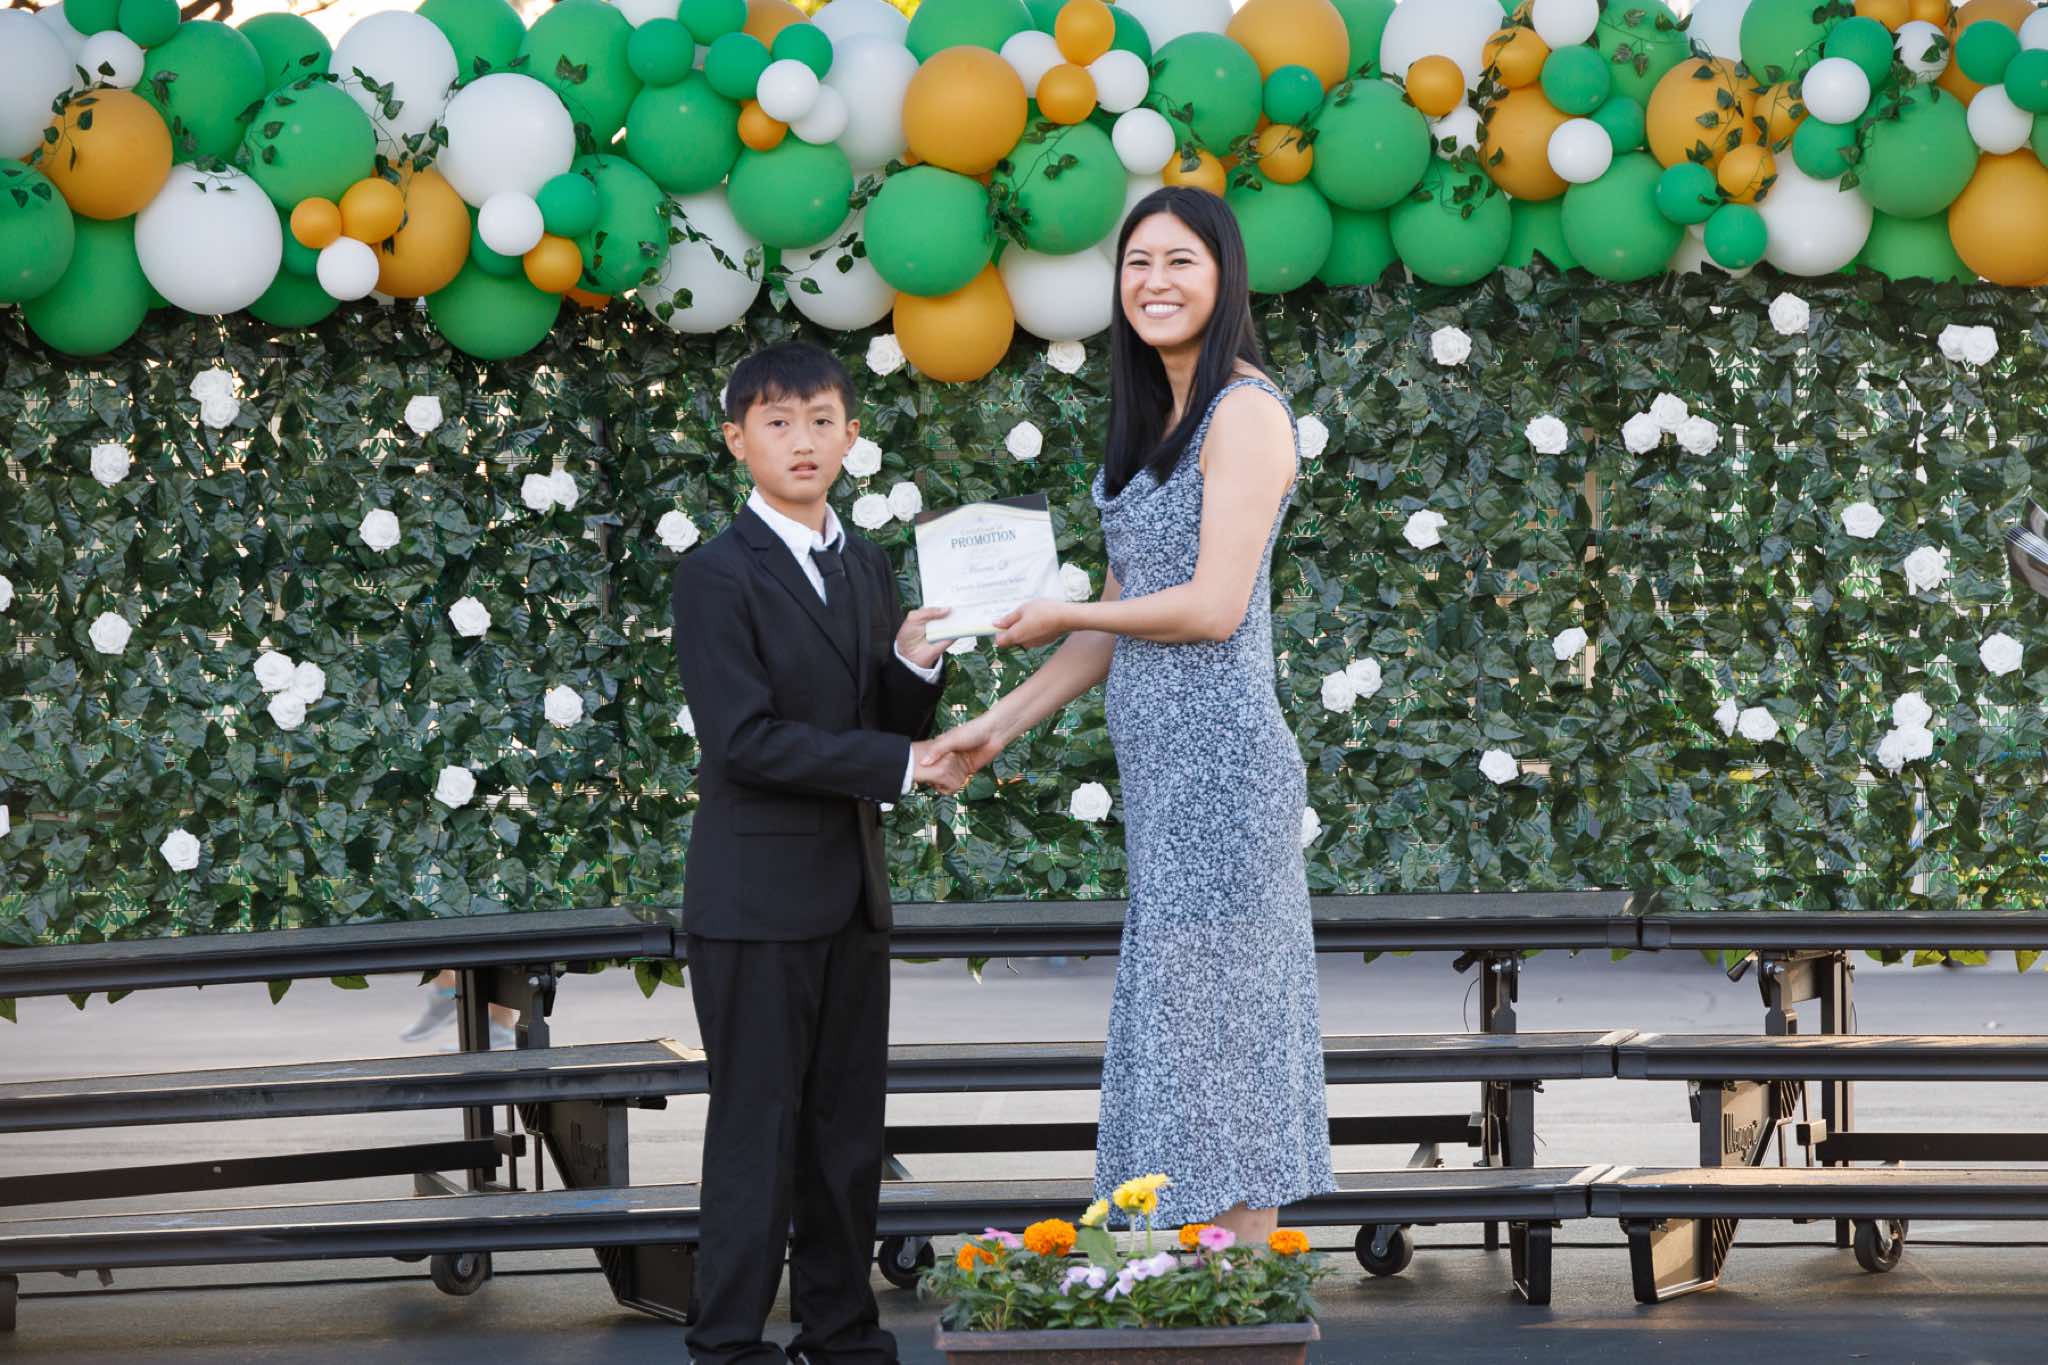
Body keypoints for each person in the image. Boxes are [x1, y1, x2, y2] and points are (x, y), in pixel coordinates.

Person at [927, 187, 1337, 1244]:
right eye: (1137, 263)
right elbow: (1108, 630)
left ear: (1224, 276)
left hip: (1224, 774)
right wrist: (995, 727)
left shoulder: (1245, 412)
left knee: (1222, 1043)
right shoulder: (1157, 415)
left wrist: (1067, 605)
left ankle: (1239, 1291)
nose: (1153, 282)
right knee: (1191, 1039)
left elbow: (1210, 608)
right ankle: (1204, 1285)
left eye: (1179, 261)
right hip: (1166, 784)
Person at [670, 341, 966, 1365]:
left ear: (851, 435)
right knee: (757, 1133)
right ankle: (727, 1346)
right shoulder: (714, 574)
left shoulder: (866, 563)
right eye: (778, 421)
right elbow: (743, 741)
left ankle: (842, 1334)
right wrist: (903, 761)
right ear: (736, 440)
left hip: (848, 893)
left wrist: (913, 665)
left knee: (846, 1134)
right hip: (753, 901)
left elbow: (875, 722)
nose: (803, 440)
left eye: (822, 420)